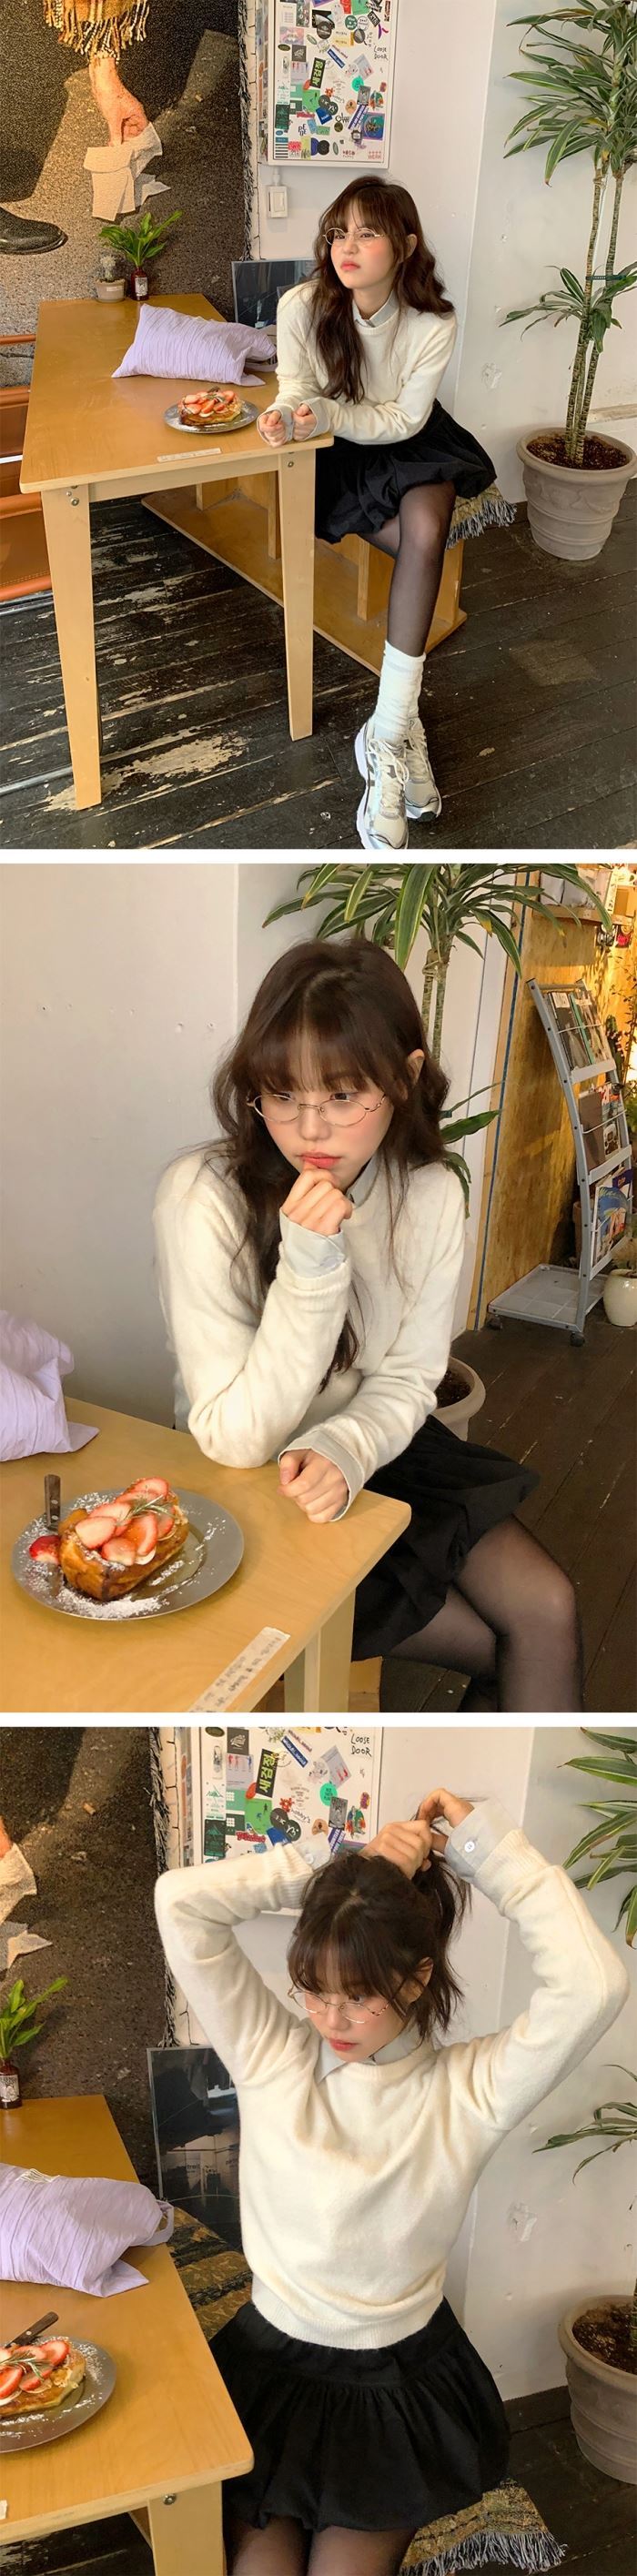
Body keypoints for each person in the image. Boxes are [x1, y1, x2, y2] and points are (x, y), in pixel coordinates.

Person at [153, 1782, 630, 2574]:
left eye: (359, 1996)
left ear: (414, 1979)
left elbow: (595, 1985)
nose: (330, 2019)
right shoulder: (273, 2053)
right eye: (313, 1991)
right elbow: (180, 1901)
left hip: (393, 2386)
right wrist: (336, 1862)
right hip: (270, 2369)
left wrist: (488, 1849)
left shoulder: (471, 2090)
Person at [153, 936, 584, 1713]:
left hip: (377, 1446)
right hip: (258, 1484)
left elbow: (411, 1377)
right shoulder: (203, 1196)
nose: (309, 1130)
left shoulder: (429, 1195)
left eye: (344, 1095)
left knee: (548, 1608)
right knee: (503, 1646)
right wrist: (311, 1262)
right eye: (281, 1094)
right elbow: (236, 1437)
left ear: (405, 1077)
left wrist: (348, 1447)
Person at [257, 177, 510, 852]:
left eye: (367, 233)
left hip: (407, 437)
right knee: (422, 545)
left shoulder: (433, 323)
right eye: (339, 232)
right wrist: (284, 417)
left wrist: (326, 412)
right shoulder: (301, 305)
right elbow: (295, 387)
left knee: (426, 527)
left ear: (405, 245)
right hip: (338, 446)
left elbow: (403, 420)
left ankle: (387, 734)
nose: (347, 246)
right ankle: (401, 729)